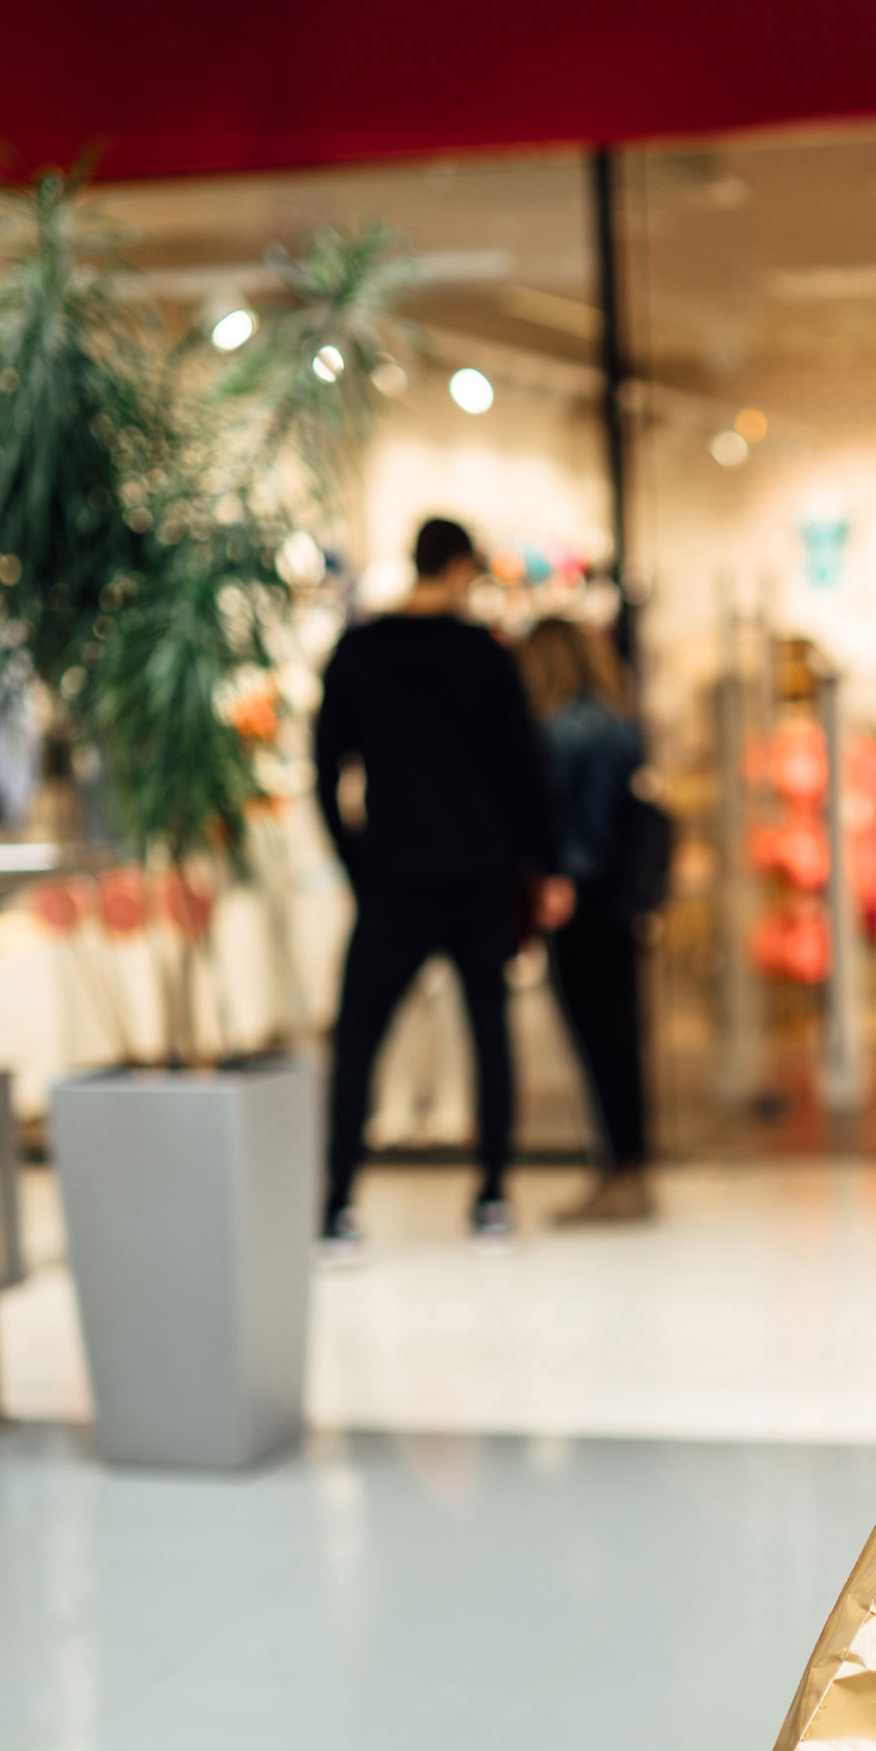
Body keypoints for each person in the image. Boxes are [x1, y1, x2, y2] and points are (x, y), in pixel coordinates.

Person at [312, 517, 568, 1256]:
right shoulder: (483, 656)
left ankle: (337, 1207)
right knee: (488, 1030)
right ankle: (491, 1196)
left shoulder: (358, 651)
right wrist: (541, 862)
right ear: (458, 568)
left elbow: (325, 767)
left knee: (359, 1034)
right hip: (479, 873)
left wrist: (353, 861)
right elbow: (525, 768)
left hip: (393, 875)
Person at [519, 615, 660, 1223]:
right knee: (621, 1036)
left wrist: (557, 878)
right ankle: (629, 1169)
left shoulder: (557, 731)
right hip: (620, 895)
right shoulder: (619, 722)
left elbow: (571, 822)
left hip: (579, 895)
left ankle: (619, 1174)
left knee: (595, 1036)